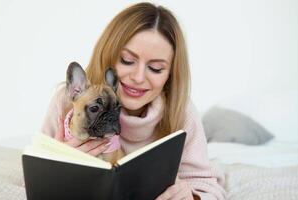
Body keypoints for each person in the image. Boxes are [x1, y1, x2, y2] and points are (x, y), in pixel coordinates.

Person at [42, 2, 226, 200]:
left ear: (170, 75)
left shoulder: (179, 109)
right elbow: (34, 178)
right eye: (127, 61)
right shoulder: (67, 102)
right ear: (108, 55)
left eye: (155, 68)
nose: (138, 77)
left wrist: (191, 196)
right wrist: (57, 167)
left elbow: (206, 184)